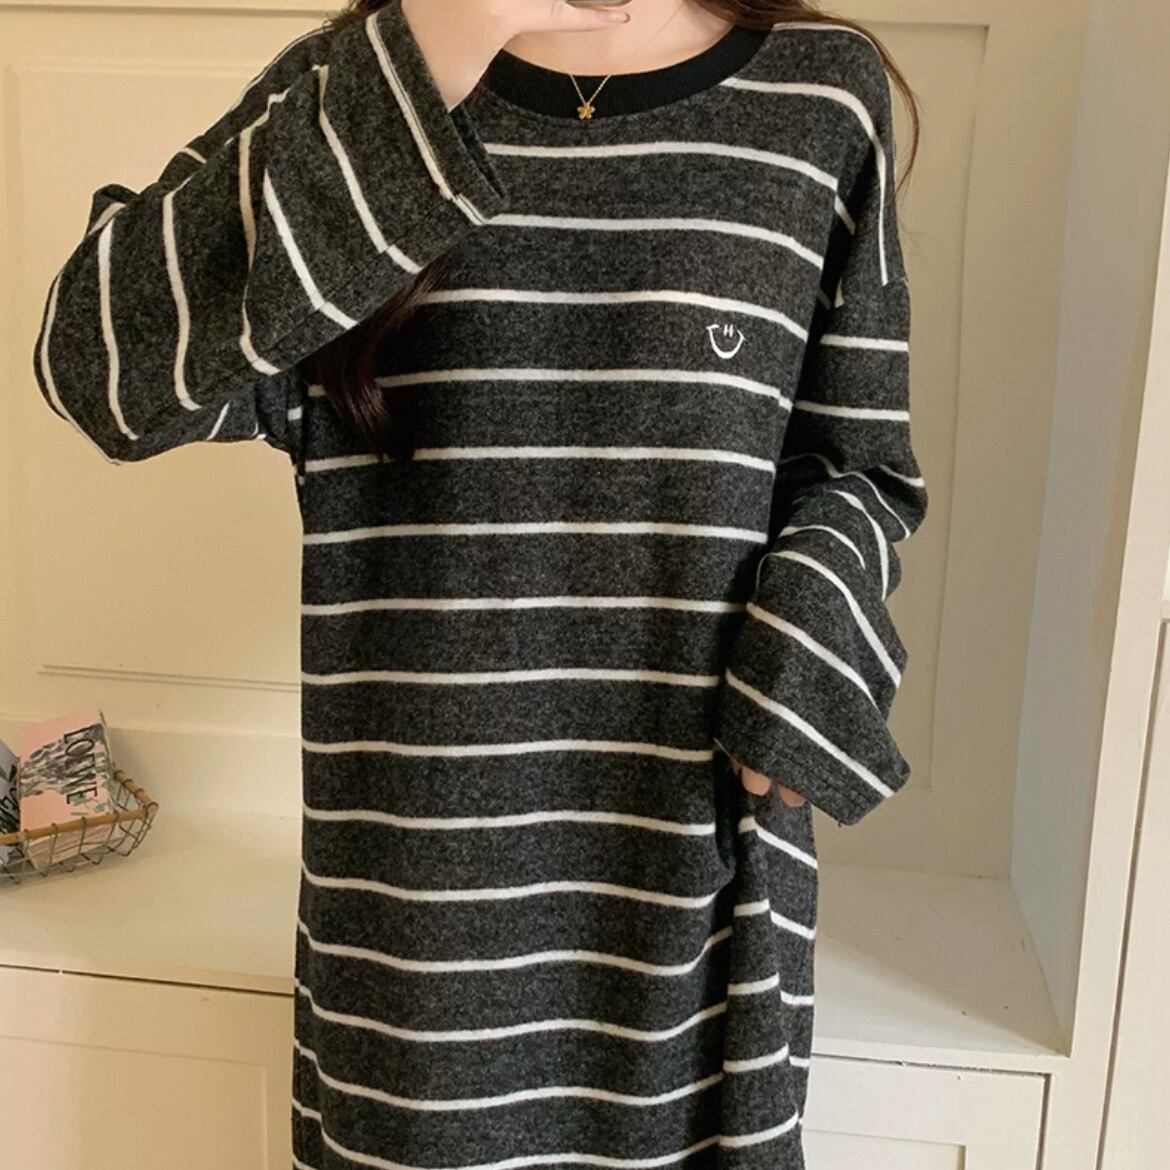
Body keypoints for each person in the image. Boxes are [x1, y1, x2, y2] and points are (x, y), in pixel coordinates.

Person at [30, 0, 928, 1166]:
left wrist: (800, 666)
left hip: (691, 887)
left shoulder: (818, 95)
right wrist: (431, 51)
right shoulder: (364, 83)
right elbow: (98, 368)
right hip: (419, 938)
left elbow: (857, 466)